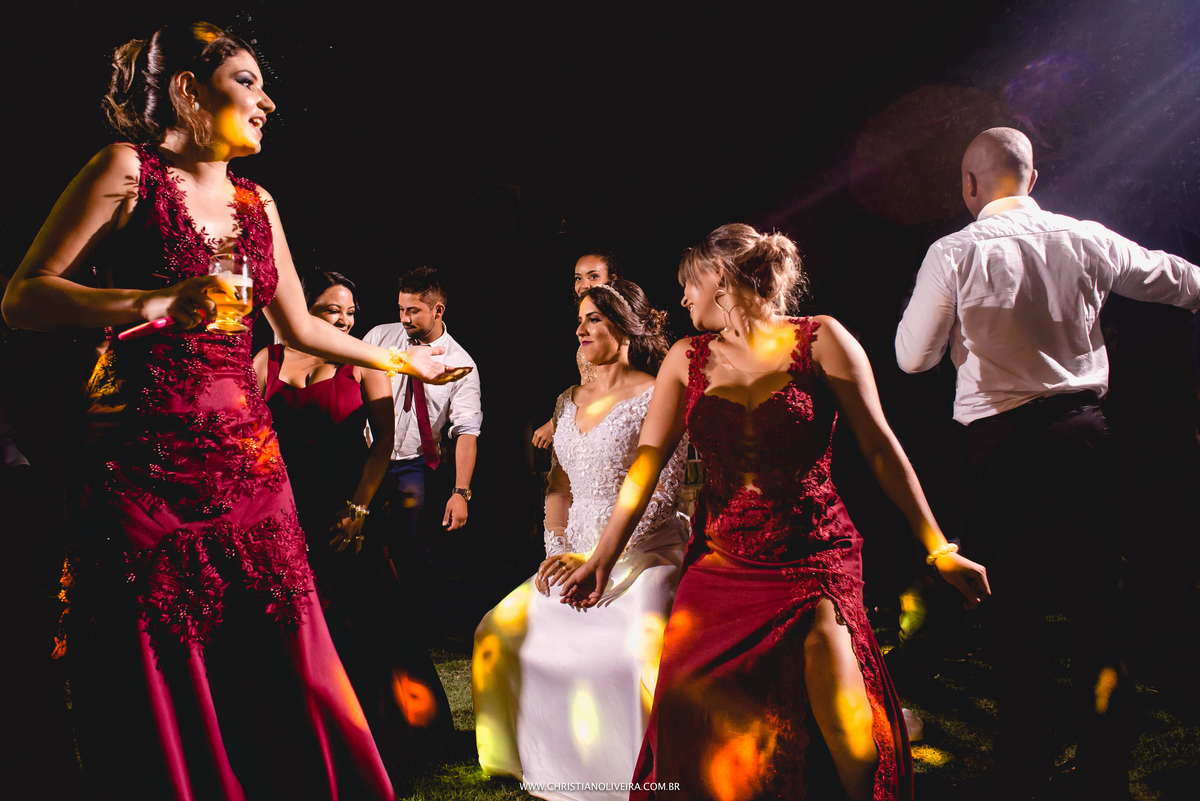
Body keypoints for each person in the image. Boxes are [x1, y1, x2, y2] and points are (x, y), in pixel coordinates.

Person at [0, 22, 464, 800]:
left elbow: (300, 325)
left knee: (290, 659)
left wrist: (401, 359)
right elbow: (23, 296)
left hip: (252, 468)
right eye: (246, 82)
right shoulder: (127, 172)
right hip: (148, 470)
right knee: (173, 665)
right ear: (188, 90)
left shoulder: (257, 201)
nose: (266, 101)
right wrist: (155, 301)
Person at [560, 224, 990, 801]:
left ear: (722, 278)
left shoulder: (823, 339)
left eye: (690, 284)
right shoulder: (686, 358)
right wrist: (601, 557)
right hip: (720, 564)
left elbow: (881, 449)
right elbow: (645, 467)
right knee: (688, 710)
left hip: (813, 556)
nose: (683, 298)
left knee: (848, 723)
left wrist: (939, 549)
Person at [895, 127, 1200, 800]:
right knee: (1098, 612)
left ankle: (1022, 772)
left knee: (1016, 616)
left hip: (1002, 451)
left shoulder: (954, 252)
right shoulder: (1084, 236)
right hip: (1083, 438)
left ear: (968, 185)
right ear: (1032, 179)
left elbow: (912, 358)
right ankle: (1104, 774)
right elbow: (1181, 281)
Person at [473, 277, 689, 800]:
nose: (580, 329)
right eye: (579, 320)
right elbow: (558, 486)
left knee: (625, 656)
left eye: (594, 318)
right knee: (493, 631)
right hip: (572, 552)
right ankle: (522, 757)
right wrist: (557, 553)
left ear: (625, 326)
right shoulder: (566, 400)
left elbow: (661, 492)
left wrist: (600, 556)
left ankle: (633, 774)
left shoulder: (658, 393)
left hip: (642, 553)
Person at [361, 266, 482, 558]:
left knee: (414, 551)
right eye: (401, 309)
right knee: (366, 547)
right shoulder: (379, 337)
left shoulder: (461, 363)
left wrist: (461, 492)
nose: (404, 318)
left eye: (413, 311)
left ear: (438, 310)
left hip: (415, 465)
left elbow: (467, 430)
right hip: (366, 455)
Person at [531, 251, 616, 449]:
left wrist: (556, 422)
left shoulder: (615, 326)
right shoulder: (585, 323)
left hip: (610, 423)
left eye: (593, 276)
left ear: (612, 279)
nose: (584, 285)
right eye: (579, 278)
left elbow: (612, 386)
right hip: (587, 418)